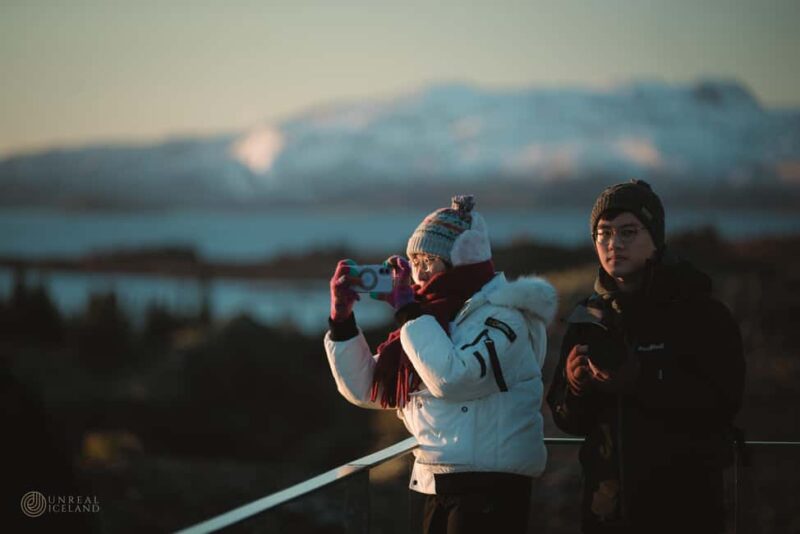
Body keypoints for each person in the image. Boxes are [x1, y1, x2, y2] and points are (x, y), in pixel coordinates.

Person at [324, 195, 557, 534]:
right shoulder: (430, 318)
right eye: (414, 260)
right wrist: (342, 322)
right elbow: (366, 389)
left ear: (463, 260)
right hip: (430, 481)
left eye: (430, 260)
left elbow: (454, 377)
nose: (419, 272)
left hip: (488, 488)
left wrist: (409, 314)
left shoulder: (505, 316)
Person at [547, 180, 745, 534]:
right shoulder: (586, 318)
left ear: (655, 236)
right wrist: (576, 388)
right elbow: (569, 421)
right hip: (606, 512)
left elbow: (724, 401)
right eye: (604, 233)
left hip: (685, 509)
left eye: (628, 232)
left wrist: (642, 380)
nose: (613, 244)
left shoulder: (700, 313)